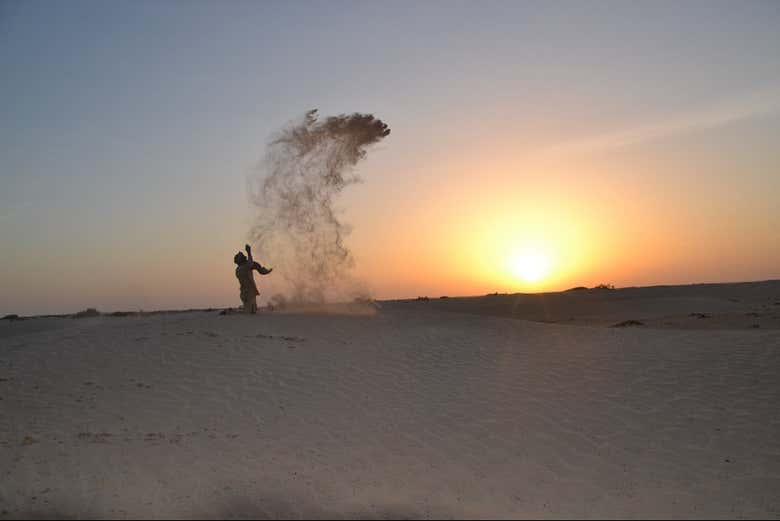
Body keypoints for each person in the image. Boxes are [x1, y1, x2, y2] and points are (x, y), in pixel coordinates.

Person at [234, 244, 272, 314]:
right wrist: (249, 252)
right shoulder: (241, 268)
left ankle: (240, 309)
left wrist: (266, 270)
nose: (244, 258)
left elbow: (255, 266)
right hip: (247, 293)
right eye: (242, 257)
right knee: (250, 311)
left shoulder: (241, 268)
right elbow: (251, 264)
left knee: (253, 310)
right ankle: (232, 311)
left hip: (249, 292)